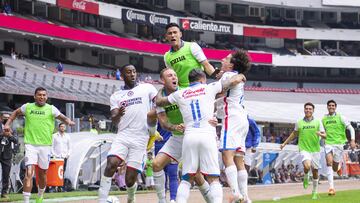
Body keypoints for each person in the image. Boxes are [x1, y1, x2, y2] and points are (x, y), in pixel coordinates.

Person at [156, 69, 246, 203]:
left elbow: (159, 102)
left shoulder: (180, 94)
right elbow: (232, 81)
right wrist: (241, 75)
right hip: (207, 135)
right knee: (213, 178)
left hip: (189, 136)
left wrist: (160, 90)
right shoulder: (209, 88)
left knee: (187, 178)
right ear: (202, 79)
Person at [3, 87, 75, 203]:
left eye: (44, 95)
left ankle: (40, 196)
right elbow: (16, 113)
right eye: (39, 95)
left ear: (46, 97)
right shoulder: (28, 107)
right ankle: (26, 201)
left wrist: (68, 121)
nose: (42, 97)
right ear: (35, 96)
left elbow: (62, 117)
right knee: (29, 173)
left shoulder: (51, 109)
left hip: (45, 146)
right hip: (30, 145)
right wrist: (7, 124)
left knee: (42, 174)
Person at [98, 64, 157, 203]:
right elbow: (114, 119)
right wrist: (118, 113)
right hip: (123, 135)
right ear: (122, 76)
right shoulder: (116, 96)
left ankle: (131, 198)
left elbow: (158, 101)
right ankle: (101, 200)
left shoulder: (147, 88)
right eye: (129, 72)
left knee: (129, 179)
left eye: (134, 71)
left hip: (141, 137)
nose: (132, 74)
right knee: (111, 163)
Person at [153, 68, 213, 203]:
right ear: (163, 80)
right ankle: (162, 201)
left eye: (175, 75)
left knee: (197, 176)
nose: (174, 77)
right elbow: (163, 122)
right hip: (177, 138)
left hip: (193, 135)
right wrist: (175, 127)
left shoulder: (184, 92)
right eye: (169, 76)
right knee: (156, 164)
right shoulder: (160, 98)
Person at [217, 50, 252, 203]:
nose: (222, 59)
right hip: (242, 118)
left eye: (225, 58)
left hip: (231, 117)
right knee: (239, 159)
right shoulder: (235, 75)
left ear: (231, 65)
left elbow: (218, 90)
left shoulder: (227, 76)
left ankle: (235, 193)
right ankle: (246, 197)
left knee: (227, 155)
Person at [280, 102, 326, 200]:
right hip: (304, 148)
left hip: (315, 150)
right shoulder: (299, 122)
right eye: (306, 108)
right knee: (307, 165)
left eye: (310, 109)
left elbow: (325, 135)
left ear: (313, 111)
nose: (308, 110)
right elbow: (294, 134)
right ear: (304, 110)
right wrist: (284, 143)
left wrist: (320, 134)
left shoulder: (318, 122)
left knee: (315, 172)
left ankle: (314, 191)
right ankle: (305, 176)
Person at [163, 23, 218, 87]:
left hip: (198, 86)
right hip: (182, 90)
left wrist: (218, 78)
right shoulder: (166, 57)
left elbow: (206, 65)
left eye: (175, 32)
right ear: (166, 37)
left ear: (180, 34)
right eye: (170, 33)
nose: (172, 35)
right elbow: (172, 76)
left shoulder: (192, 46)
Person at [322, 100, 355, 196]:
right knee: (329, 162)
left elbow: (351, 128)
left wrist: (352, 140)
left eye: (333, 105)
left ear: (335, 107)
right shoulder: (324, 119)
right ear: (327, 107)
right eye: (329, 105)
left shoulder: (341, 117)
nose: (331, 107)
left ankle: (338, 167)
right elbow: (323, 132)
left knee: (335, 166)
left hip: (339, 144)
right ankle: (331, 188)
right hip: (328, 143)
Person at [0, 112, 18, 199]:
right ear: (1, 118)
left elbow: (16, 140)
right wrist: (2, 134)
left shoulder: (12, 129)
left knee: (6, 174)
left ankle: (4, 193)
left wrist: (10, 135)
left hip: (7, 155)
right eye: (4, 118)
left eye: (8, 118)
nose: (6, 119)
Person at [50, 123, 71, 192]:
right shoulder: (54, 136)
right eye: (61, 126)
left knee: (62, 172)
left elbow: (69, 147)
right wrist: (54, 155)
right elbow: (51, 146)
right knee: (54, 172)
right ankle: (53, 187)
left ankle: (60, 187)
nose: (62, 128)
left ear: (65, 128)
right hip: (56, 157)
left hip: (64, 157)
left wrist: (68, 154)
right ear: (59, 128)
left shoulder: (67, 136)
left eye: (64, 127)